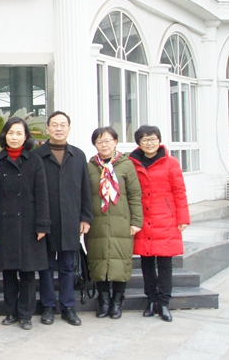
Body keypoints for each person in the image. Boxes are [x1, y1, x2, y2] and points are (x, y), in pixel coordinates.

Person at [0, 117, 50, 331]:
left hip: (28, 223)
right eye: (11, 133)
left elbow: (42, 195)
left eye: (19, 133)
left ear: (26, 137)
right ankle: (10, 312)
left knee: (27, 272)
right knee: (8, 271)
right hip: (3, 223)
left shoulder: (35, 161)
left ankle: (26, 314)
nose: (14, 137)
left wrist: (42, 225)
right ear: (5, 135)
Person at [34, 111, 92, 326]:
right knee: (46, 266)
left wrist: (85, 217)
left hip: (70, 219)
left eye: (63, 125)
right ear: (47, 128)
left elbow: (86, 189)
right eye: (55, 125)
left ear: (69, 128)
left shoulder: (78, 155)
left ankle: (68, 307)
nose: (59, 128)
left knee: (68, 265)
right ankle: (48, 306)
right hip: (45, 220)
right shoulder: (37, 156)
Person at [128, 125, 190, 322]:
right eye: (145, 140)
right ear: (139, 143)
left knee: (165, 262)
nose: (150, 143)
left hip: (165, 218)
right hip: (143, 218)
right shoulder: (132, 163)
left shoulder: (171, 162)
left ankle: (164, 303)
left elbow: (179, 191)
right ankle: (151, 300)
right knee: (146, 262)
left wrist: (183, 218)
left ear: (159, 140)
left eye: (153, 139)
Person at [86, 126, 142, 319]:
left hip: (122, 222)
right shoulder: (90, 166)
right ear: (95, 144)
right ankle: (103, 300)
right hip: (97, 222)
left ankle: (117, 300)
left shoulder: (127, 165)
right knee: (98, 259)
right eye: (99, 141)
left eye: (108, 140)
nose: (104, 145)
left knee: (121, 260)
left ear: (116, 142)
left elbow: (135, 195)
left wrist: (136, 221)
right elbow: (84, 195)